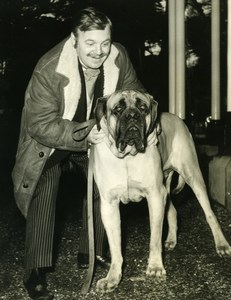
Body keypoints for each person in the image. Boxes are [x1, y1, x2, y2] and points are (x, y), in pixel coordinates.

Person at [12, 6, 145, 300]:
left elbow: (134, 91)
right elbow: (39, 124)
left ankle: (92, 252)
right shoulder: (49, 67)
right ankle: (35, 270)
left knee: (104, 181)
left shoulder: (118, 56)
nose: (99, 52)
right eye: (90, 43)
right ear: (74, 39)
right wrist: (87, 131)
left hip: (95, 140)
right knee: (45, 182)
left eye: (105, 43)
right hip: (51, 145)